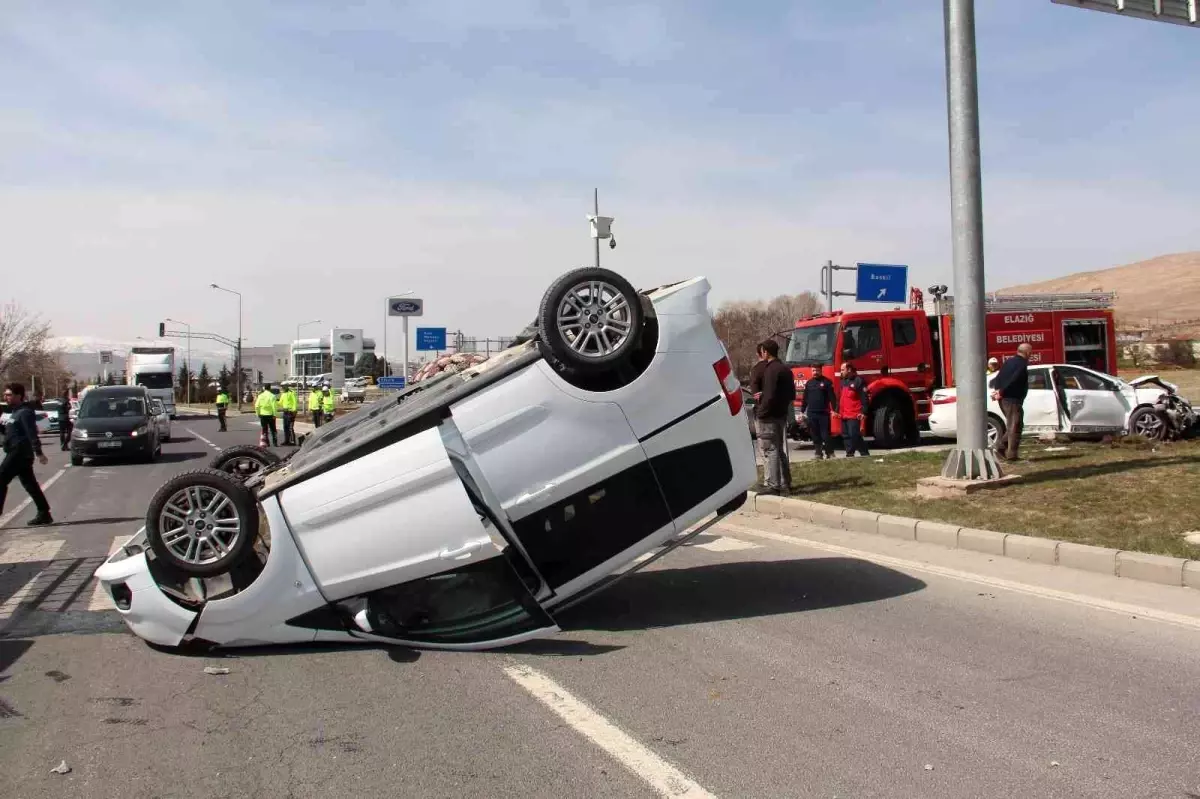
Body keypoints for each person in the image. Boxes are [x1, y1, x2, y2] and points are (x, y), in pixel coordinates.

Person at [0, 383, 53, 526]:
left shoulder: (25, 412)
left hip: (19, 453)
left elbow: (32, 434)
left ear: (19, 396)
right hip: (16, 452)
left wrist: (39, 453)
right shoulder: (15, 412)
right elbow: (9, 432)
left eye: (9, 394)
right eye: (5, 394)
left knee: (1, 478)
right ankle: (44, 513)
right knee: (30, 485)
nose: (6, 397)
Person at [748, 340, 795, 495]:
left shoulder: (771, 370)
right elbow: (790, 394)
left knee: (770, 449)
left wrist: (761, 412)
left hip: (768, 416)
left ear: (765, 352)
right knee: (779, 448)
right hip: (781, 414)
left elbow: (769, 395)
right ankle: (785, 482)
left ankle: (774, 485)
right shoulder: (785, 369)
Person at [990, 344, 1032, 461]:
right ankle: (1011, 454)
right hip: (1012, 399)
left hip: (1005, 398)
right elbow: (1015, 379)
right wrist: (1002, 391)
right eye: (1030, 352)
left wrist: (998, 390)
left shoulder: (1009, 362)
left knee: (1013, 425)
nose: (1031, 355)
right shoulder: (1021, 364)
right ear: (1027, 353)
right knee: (1015, 426)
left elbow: (999, 377)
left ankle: (1001, 449)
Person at [801, 363, 837, 460]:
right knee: (815, 435)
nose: (815, 372)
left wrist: (835, 410)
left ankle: (830, 453)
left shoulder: (827, 382)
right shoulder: (809, 383)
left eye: (817, 370)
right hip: (811, 413)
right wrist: (802, 411)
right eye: (813, 370)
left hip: (823, 413)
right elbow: (805, 398)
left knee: (825, 434)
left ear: (821, 371)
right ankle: (818, 453)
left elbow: (832, 398)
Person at [838, 363, 870, 457]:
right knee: (845, 436)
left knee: (854, 435)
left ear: (849, 370)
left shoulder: (858, 381)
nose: (841, 372)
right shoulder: (843, 381)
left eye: (842, 370)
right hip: (844, 414)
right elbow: (840, 397)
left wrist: (864, 412)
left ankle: (863, 453)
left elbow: (864, 398)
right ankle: (850, 454)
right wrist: (837, 410)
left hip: (854, 414)